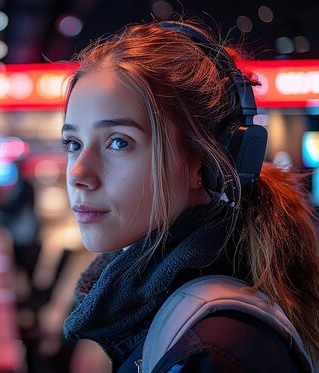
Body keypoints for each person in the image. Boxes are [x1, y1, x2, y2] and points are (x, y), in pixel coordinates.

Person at [61, 19, 319, 372]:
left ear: (205, 162)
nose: (78, 174)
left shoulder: (214, 349)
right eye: (73, 144)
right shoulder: (160, 306)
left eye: (119, 142)